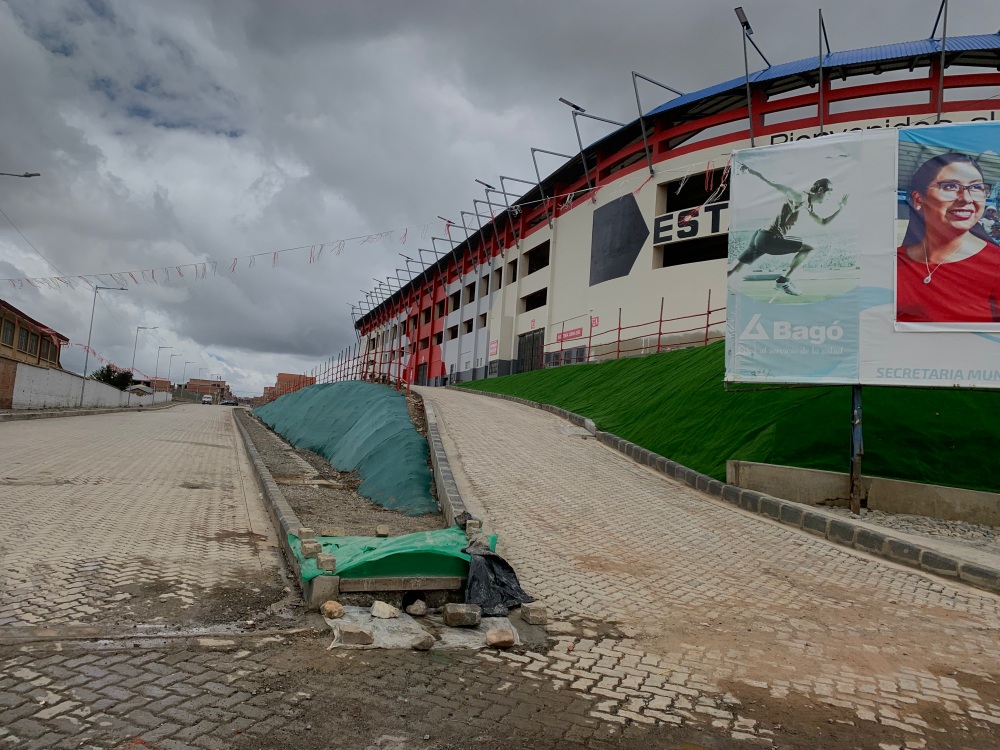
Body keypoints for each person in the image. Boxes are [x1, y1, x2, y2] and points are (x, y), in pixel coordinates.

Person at [896, 153, 1000, 323]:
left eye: (976, 187)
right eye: (950, 186)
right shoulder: (893, 262)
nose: (966, 198)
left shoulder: (995, 264)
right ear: (918, 199)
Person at [727, 164, 849, 296]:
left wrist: (841, 209)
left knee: (736, 269)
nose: (829, 198)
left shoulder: (808, 206)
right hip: (770, 238)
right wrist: (750, 170)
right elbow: (772, 183)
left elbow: (823, 222)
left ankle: (725, 285)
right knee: (811, 247)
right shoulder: (799, 197)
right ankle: (783, 280)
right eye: (829, 194)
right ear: (820, 190)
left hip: (760, 236)